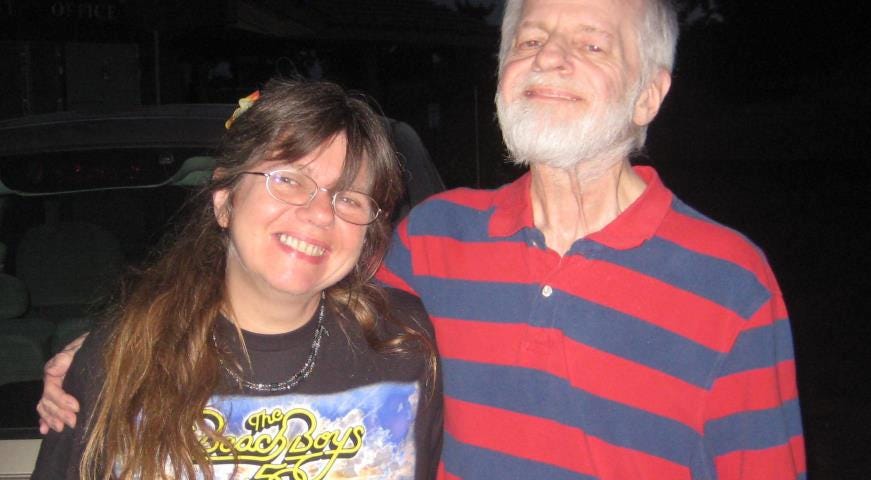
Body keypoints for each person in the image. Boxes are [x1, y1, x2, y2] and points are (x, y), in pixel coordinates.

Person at [40, 0, 806, 478]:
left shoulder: (731, 283)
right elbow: (290, 269)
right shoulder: (436, 238)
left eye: (592, 45)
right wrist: (116, 350)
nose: (549, 57)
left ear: (649, 93)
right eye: (530, 38)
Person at [32, 78, 442, 479]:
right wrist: (109, 351)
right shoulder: (119, 361)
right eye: (289, 179)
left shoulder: (406, 345)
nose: (320, 214)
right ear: (225, 201)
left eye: (349, 197)